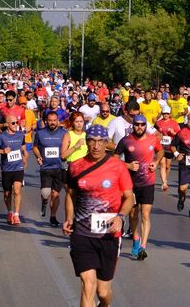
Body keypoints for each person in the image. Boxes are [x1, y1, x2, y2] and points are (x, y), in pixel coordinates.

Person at [63, 125, 134, 307]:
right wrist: (69, 218)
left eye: (100, 142)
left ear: (106, 144)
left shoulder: (117, 166)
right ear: (86, 142)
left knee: (102, 292)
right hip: (82, 233)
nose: (95, 146)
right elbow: (70, 195)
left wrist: (120, 216)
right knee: (88, 285)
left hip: (109, 235)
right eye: (91, 141)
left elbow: (129, 198)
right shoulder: (75, 166)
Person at [115, 115, 163, 260]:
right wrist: (128, 165)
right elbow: (115, 158)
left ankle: (143, 246)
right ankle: (136, 238)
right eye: (137, 124)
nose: (140, 127)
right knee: (133, 215)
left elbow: (160, 151)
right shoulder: (126, 140)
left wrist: (156, 161)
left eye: (142, 125)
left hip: (148, 182)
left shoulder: (152, 139)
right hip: (131, 184)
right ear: (133, 125)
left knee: (146, 214)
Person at [0, 115, 28, 225]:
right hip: (7, 168)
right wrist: (2, 152)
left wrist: (25, 154)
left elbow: (23, 147)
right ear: (7, 124)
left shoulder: (21, 135)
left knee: (17, 190)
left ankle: (16, 214)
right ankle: (10, 212)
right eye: (13, 123)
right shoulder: (2, 137)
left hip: (18, 167)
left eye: (17, 122)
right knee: (7, 193)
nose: (16, 124)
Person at [33, 111, 67, 227]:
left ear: (58, 121)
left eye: (54, 120)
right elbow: (35, 147)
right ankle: (44, 202)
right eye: (50, 120)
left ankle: (53, 216)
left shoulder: (64, 133)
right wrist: (38, 156)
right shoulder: (40, 133)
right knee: (46, 192)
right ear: (46, 121)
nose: (52, 123)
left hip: (59, 167)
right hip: (46, 167)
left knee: (55, 194)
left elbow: (67, 148)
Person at [155, 106, 181, 189]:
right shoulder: (158, 123)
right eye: (164, 114)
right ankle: (164, 182)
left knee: (167, 166)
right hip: (161, 146)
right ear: (162, 114)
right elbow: (154, 132)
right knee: (162, 163)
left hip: (170, 146)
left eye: (167, 113)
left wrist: (173, 132)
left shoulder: (174, 123)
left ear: (169, 114)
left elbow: (179, 134)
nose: (165, 115)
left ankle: (165, 178)